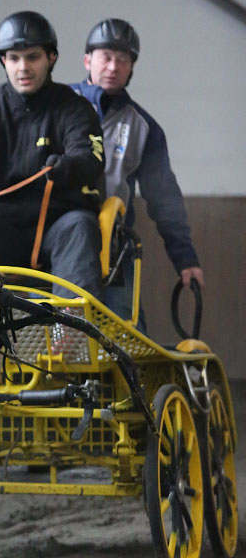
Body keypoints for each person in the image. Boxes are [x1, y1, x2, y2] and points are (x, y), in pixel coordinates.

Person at [0, 11, 105, 300]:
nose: (23, 68)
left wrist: (66, 167)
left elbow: (90, 159)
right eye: (14, 58)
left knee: (81, 226)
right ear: (3, 61)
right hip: (0, 226)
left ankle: (71, 334)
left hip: (60, 224)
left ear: (51, 58)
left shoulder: (74, 108)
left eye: (33, 57)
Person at [71, 18, 204, 328]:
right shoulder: (58, 106)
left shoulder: (144, 128)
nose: (113, 66)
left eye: (123, 59)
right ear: (88, 60)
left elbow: (164, 198)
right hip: (54, 241)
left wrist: (186, 260)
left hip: (115, 248)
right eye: (106, 56)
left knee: (127, 334)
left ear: (132, 67)